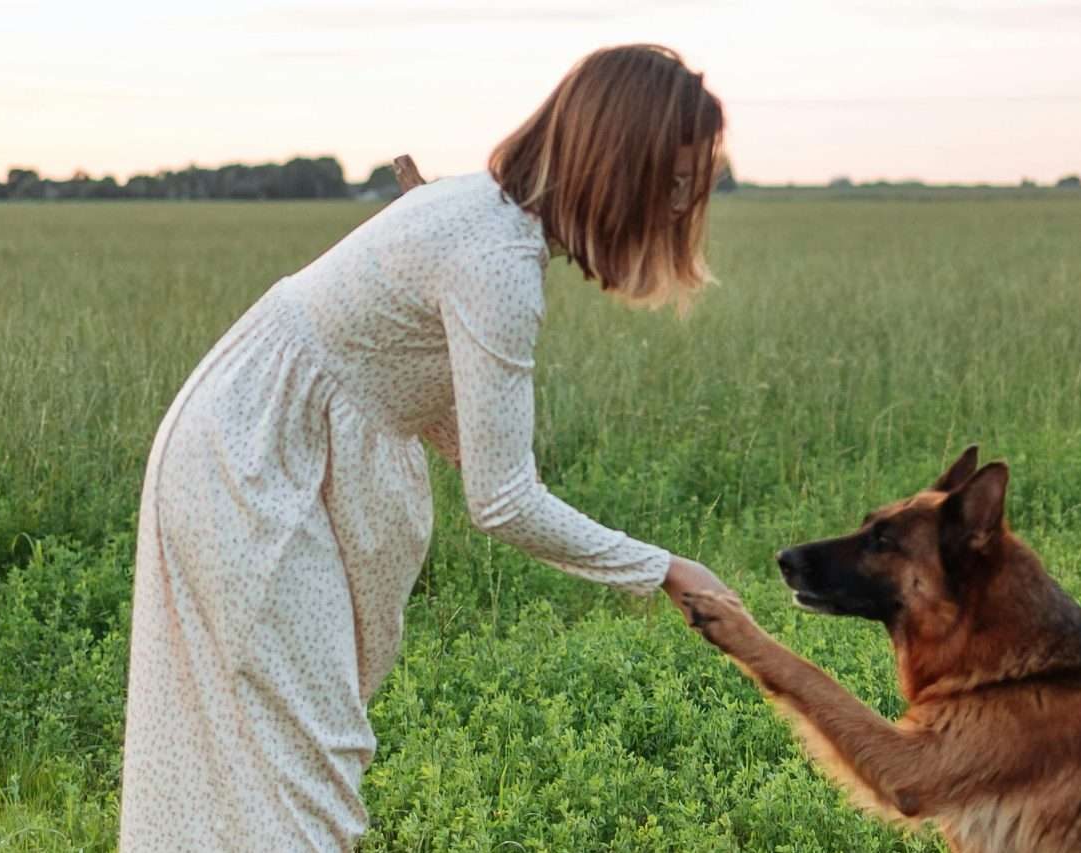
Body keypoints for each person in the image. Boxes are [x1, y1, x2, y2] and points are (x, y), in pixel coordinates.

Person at [118, 44, 730, 851]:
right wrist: (662, 569)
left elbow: (399, 380)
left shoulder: (484, 217)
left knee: (282, 751)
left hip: (255, 438)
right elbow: (503, 499)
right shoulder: (498, 259)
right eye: (673, 182)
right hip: (249, 462)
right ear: (617, 165)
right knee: (309, 765)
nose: (680, 204)